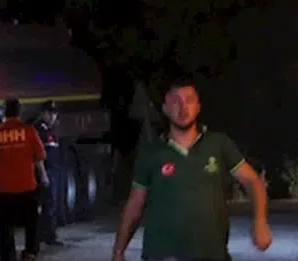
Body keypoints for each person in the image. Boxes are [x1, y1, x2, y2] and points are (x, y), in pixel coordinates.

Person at [111, 76, 272, 261]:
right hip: (162, 256)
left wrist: (260, 222)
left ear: (198, 106)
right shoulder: (151, 153)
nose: (183, 107)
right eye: (176, 101)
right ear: (165, 109)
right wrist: (118, 251)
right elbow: (134, 205)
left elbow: (252, 180)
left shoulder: (218, 144)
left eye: (189, 100)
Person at [0, 98, 49, 261]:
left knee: (6, 227)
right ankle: (30, 253)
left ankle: (8, 256)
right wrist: (44, 178)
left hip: (5, 189)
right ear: (19, 112)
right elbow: (39, 157)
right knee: (32, 223)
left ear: (3, 113)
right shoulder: (29, 131)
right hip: (28, 186)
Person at [33, 100, 64, 247]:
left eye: (54, 113)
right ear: (43, 114)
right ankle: (48, 236)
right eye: (50, 113)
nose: (53, 116)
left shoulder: (51, 130)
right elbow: (38, 155)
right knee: (47, 204)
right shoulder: (40, 130)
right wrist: (43, 174)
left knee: (51, 203)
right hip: (46, 171)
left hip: (53, 170)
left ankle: (46, 234)